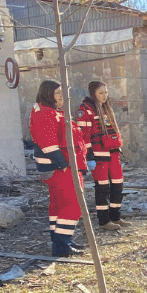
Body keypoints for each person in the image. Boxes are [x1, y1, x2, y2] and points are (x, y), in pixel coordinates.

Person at [30, 80, 89, 257]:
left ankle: (61, 242)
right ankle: (62, 245)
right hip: (59, 168)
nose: (61, 97)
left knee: (59, 205)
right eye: (57, 94)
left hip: (60, 167)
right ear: (48, 94)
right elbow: (48, 144)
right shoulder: (45, 114)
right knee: (72, 204)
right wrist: (64, 165)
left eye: (62, 94)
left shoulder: (51, 112)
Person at [78, 81, 128, 230]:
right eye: (101, 93)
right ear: (93, 94)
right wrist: (89, 156)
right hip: (98, 154)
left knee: (118, 185)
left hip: (113, 152)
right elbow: (83, 136)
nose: (104, 96)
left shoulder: (106, 108)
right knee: (102, 188)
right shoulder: (85, 110)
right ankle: (104, 221)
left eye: (106, 92)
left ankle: (115, 217)